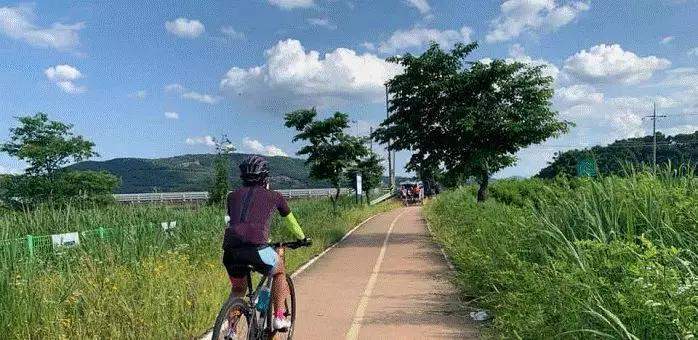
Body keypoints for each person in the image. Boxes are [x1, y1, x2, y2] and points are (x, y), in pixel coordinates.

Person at [222, 155, 307, 332]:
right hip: (256, 249)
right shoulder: (275, 196)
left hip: (230, 251)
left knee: (238, 289)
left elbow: (239, 221)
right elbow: (291, 222)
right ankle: (279, 317)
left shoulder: (232, 197)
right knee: (279, 270)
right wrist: (302, 238)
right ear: (265, 177)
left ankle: (230, 330)